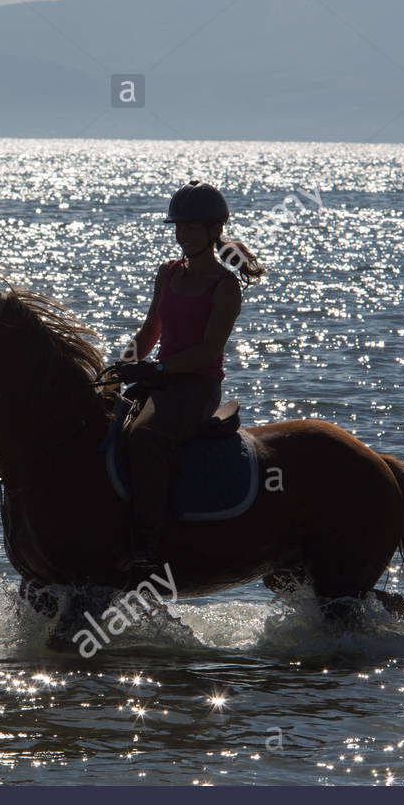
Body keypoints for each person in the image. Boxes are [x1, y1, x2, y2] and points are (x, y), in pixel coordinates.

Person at [119, 181, 265, 560]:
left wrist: (160, 367)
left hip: (196, 387)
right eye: (179, 228)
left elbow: (209, 351)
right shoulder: (167, 272)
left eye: (191, 228)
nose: (182, 236)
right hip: (159, 378)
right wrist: (124, 362)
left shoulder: (224, 286)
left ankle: (148, 544)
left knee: (145, 438)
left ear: (214, 231)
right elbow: (151, 329)